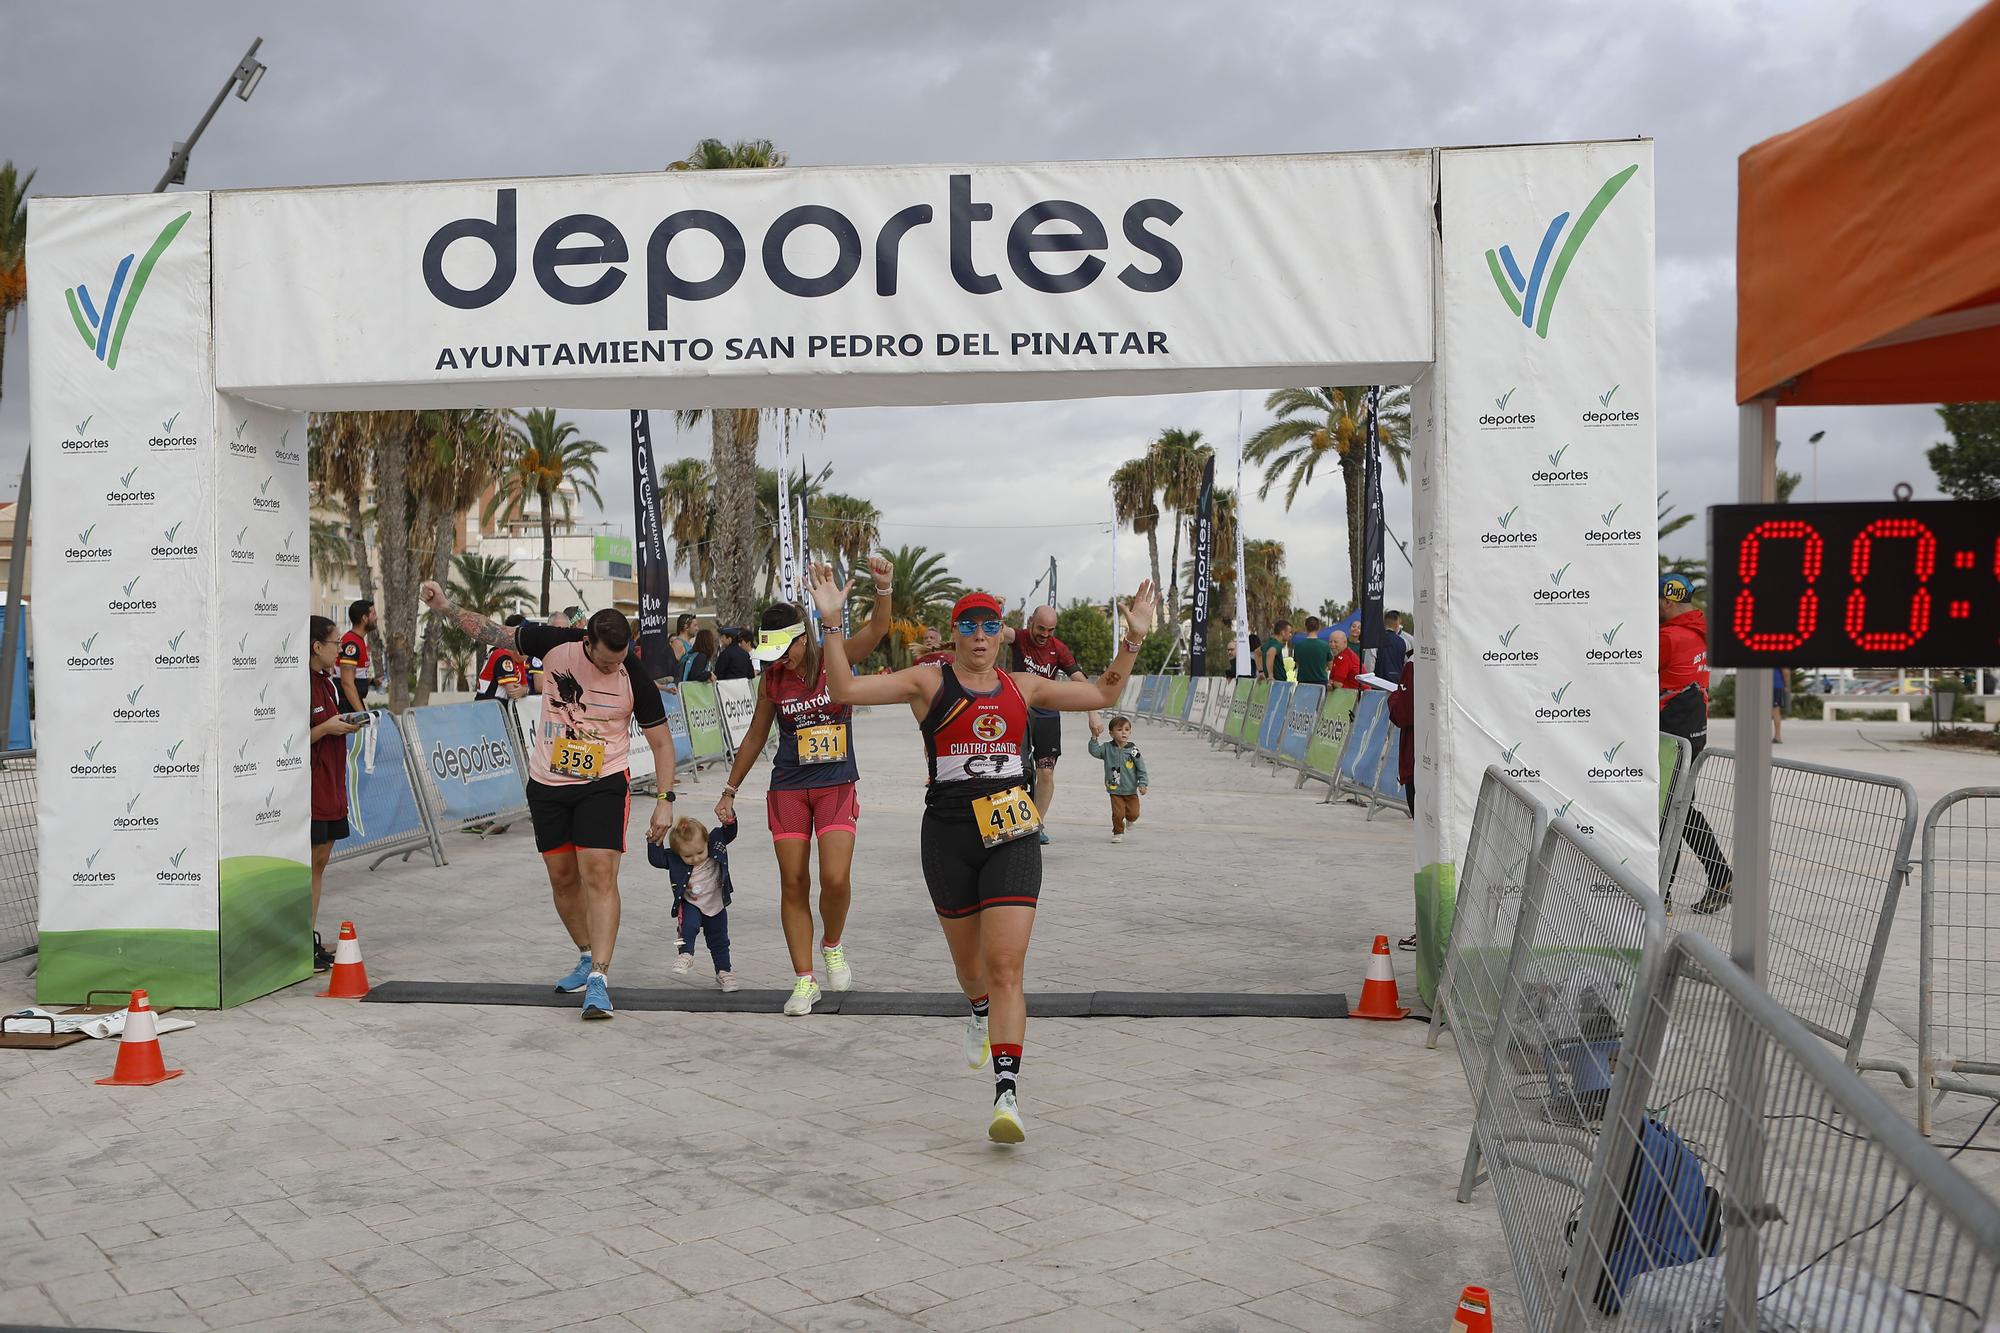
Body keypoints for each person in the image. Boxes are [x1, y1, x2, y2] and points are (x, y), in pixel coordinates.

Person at [815, 571, 1158, 1144]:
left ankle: (1007, 1093)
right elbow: (844, 690)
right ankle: (977, 1009)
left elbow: (1103, 694)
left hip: (1011, 830)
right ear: (954, 635)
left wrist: (1135, 639)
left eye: (989, 625)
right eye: (968, 626)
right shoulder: (928, 683)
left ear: (1003, 634)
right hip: (948, 833)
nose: (979, 635)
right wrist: (831, 623)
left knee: (1005, 966)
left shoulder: (1024, 687)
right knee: (972, 971)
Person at [421, 581, 679, 1019]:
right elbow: (493, 633)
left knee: (598, 874)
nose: (612, 666)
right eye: (604, 659)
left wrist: (665, 799)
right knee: (562, 878)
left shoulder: (633, 674)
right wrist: (446, 607)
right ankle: (584, 954)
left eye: (620, 659)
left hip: (603, 782)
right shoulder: (556, 644)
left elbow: (661, 744)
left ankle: (599, 977)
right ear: (587, 641)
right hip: (548, 783)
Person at [715, 554, 896, 1017]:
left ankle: (831, 943)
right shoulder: (772, 679)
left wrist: (883, 588)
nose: (779, 660)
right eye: (771, 654)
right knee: (793, 882)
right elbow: (758, 734)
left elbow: (878, 630)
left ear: (802, 638)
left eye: (785, 650)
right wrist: (730, 789)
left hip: (835, 782)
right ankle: (803, 979)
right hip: (789, 787)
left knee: (834, 879)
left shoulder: (834, 657)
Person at [1658, 573, 1733, 914]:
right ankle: (1720, 877)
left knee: (1668, 813)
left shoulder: (1668, 638)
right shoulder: (1699, 635)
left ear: (1669, 602)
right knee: (1681, 810)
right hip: (1693, 735)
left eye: (1658, 602)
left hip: (1670, 739)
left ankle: (1666, 895)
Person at [1004, 605, 1091, 845]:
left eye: (1050, 630)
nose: (1045, 634)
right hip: (1018, 713)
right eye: (1041, 628)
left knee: (1046, 772)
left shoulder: (1058, 649)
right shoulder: (1019, 637)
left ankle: (1036, 825)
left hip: (1048, 717)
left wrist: (1092, 714)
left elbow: (1081, 683)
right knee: (1016, 771)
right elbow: (998, 632)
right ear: (1031, 621)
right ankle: (1013, 823)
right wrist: (997, 610)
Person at [309, 616, 366, 971]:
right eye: (335, 644)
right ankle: (301, 937)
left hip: (333, 784)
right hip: (313, 786)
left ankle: (307, 935)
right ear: (317, 646)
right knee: (311, 861)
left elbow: (329, 725)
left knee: (321, 861)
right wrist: (327, 727)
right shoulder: (299, 683)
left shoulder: (328, 684)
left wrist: (345, 723)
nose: (340, 650)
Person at [651, 815, 739, 992]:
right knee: (687, 927)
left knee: (719, 940)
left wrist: (730, 819)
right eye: (687, 856)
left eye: (700, 852)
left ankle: (724, 972)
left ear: (707, 841)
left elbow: (730, 833)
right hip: (691, 903)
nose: (696, 859)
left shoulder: (715, 842)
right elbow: (657, 860)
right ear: (678, 854)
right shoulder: (675, 859)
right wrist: (654, 839)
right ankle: (685, 954)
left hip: (716, 904)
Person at [1086, 713, 1148, 843]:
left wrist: (1142, 783)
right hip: (1115, 789)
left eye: (1126, 730)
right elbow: (1095, 752)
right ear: (1111, 733)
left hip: (1131, 789)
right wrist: (1094, 738)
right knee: (1118, 814)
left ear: (1130, 732)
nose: (1123, 733)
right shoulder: (1107, 748)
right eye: (1119, 730)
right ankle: (1118, 832)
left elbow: (1141, 768)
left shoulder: (1133, 750)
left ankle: (1130, 820)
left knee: (1134, 813)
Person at [476, 618, 530, 701]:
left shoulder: (518, 659)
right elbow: (513, 692)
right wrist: (523, 690)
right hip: (488, 708)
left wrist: (523, 690)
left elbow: (525, 687)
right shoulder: (502, 656)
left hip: (496, 707)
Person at [338, 599, 377, 713]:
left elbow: (354, 675)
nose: (376, 618)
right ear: (364, 618)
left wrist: (372, 681)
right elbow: (347, 683)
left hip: (351, 702)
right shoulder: (351, 644)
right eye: (373, 614)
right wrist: (362, 715)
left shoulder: (357, 640)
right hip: (346, 705)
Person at [1292, 617, 1332, 685]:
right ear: (1318, 627)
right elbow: (1330, 666)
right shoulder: (1325, 646)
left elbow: (1298, 664)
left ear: (1306, 627)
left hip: (1303, 683)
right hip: (1321, 682)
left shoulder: (1298, 646)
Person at [1376, 610, 1410, 683]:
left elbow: (1369, 665)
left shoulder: (1375, 640)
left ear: (1384, 623)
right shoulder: (1405, 642)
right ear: (1398, 623)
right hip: (1396, 685)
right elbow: (1407, 665)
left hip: (1377, 684)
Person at [1771, 666, 1789, 743]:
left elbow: (1786, 672)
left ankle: (1777, 736)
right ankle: (1776, 736)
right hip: (1770, 686)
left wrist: (1785, 685)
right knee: (1771, 711)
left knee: (1775, 711)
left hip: (1775, 686)